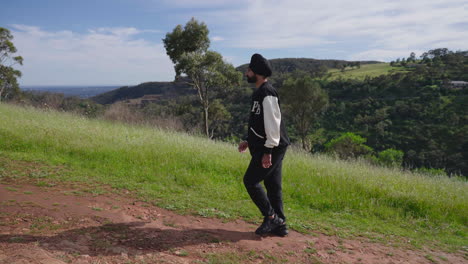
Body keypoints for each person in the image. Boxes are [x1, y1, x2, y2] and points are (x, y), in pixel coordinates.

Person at [238, 53, 290, 236]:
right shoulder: (260, 92)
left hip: (271, 147)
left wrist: (268, 150)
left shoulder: (267, 92)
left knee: (251, 181)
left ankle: (271, 217)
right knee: (273, 185)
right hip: (267, 145)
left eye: (249, 70)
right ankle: (280, 225)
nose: (246, 73)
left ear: (257, 73)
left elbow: (273, 124)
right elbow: (260, 122)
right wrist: (249, 140)